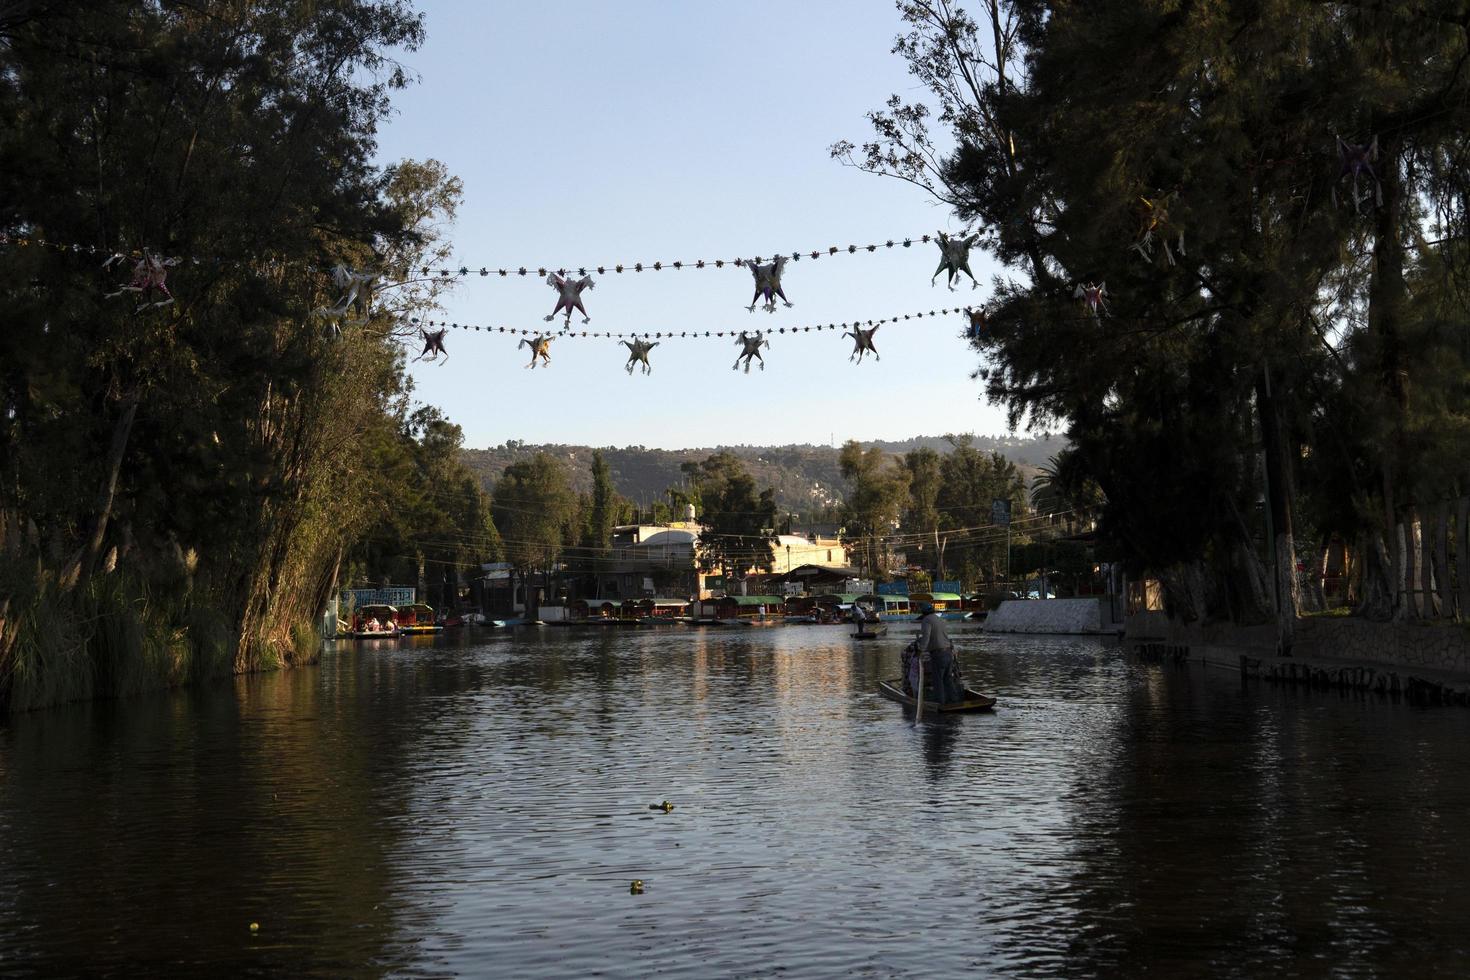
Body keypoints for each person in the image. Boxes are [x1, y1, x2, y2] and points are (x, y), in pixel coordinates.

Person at [915, 601, 962, 703]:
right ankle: (954, 701)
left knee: (938, 680)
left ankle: (940, 703)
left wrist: (920, 650)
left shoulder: (926, 620)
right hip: (948, 653)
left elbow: (926, 637)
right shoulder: (939, 619)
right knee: (948, 679)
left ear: (923, 612)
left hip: (938, 654)